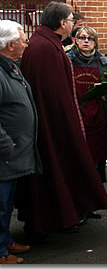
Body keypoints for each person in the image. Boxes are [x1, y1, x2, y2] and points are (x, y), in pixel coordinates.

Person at [18, 2, 107, 237]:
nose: (72, 23)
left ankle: (67, 214)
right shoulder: (44, 48)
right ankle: (51, 221)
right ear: (61, 23)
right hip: (52, 125)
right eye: (70, 20)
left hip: (56, 121)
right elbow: (53, 94)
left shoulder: (49, 43)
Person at [0, 20, 41, 264]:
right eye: (23, 39)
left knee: (6, 203)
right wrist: (6, 145)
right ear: (10, 44)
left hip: (15, 154)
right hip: (5, 154)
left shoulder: (12, 67)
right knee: (1, 205)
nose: (27, 43)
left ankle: (5, 240)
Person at [66, 27, 107, 203]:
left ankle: (92, 202)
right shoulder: (68, 60)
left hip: (97, 119)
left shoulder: (102, 62)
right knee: (78, 162)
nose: (86, 41)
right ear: (75, 40)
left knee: (96, 163)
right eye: (82, 37)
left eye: (90, 38)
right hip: (77, 116)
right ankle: (78, 202)